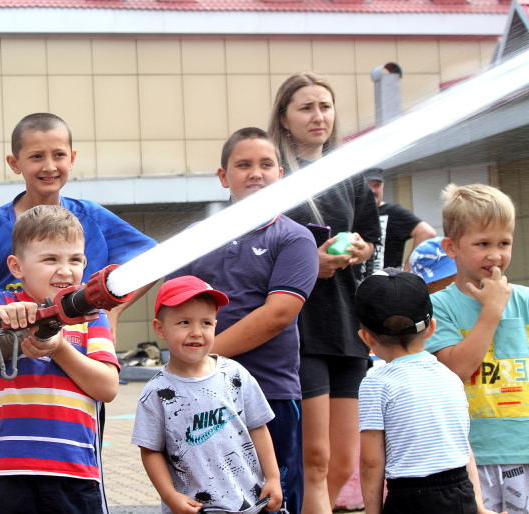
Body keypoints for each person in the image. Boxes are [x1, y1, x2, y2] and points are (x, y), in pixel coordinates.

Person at [168, 127, 319, 513]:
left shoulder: (294, 238)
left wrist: (205, 356)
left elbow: (277, 315)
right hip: (197, 396)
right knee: (204, 499)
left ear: (281, 175)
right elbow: (173, 309)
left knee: (271, 500)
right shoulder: (196, 237)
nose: (256, 173)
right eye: (244, 165)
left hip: (269, 394)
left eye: (266, 164)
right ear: (223, 176)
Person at [0, 205, 120, 514]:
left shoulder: (90, 316)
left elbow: (107, 387)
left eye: (75, 259)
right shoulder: (5, 303)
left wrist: (59, 347)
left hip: (74, 472)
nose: (66, 270)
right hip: (10, 470)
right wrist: (0, 315)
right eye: (51, 259)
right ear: (17, 266)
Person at [268, 71, 380, 513]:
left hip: (347, 326)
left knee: (343, 460)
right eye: (306, 107)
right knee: (313, 458)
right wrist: (308, 265)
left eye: (326, 106)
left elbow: (371, 238)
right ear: (284, 117)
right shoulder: (272, 175)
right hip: (299, 327)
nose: (319, 117)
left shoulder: (349, 172)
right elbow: (257, 248)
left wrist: (358, 248)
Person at [0, 112, 157, 339]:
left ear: (72, 159)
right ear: (14, 163)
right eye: (36, 156)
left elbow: (152, 259)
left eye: (59, 155)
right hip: (14, 356)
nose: (49, 166)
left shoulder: (93, 217)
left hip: (83, 351)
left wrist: (112, 311)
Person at [131, 275, 283, 514]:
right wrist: (170, 496)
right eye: (184, 323)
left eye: (206, 323)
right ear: (160, 329)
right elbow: (150, 451)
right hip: (196, 507)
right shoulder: (156, 393)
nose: (196, 332)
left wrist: (273, 478)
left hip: (251, 502)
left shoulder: (235, 374)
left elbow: (258, 427)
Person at [356, 268, 502, 514]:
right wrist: (479, 505)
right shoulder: (451, 377)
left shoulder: (376, 383)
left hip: (411, 496)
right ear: (431, 327)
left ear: (366, 337)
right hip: (461, 491)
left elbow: (371, 462)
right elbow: (463, 447)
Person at [425, 183, 529, 514]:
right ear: (451, 247)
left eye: (504, 243)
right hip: (470, 454)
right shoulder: (437, 307)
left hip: (524, 450)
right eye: (482, 243)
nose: (495, 254)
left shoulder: (525, 301)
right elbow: (456, 369)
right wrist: (492, 311)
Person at [363, 167, 437, 272]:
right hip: (360, 284)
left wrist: (407, 270)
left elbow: (427, 233)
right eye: (368, 186)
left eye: (377, 185)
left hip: (388, 283)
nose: (373, 190)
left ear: (383, 188)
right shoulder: (356, 214)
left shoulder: (393, 212)